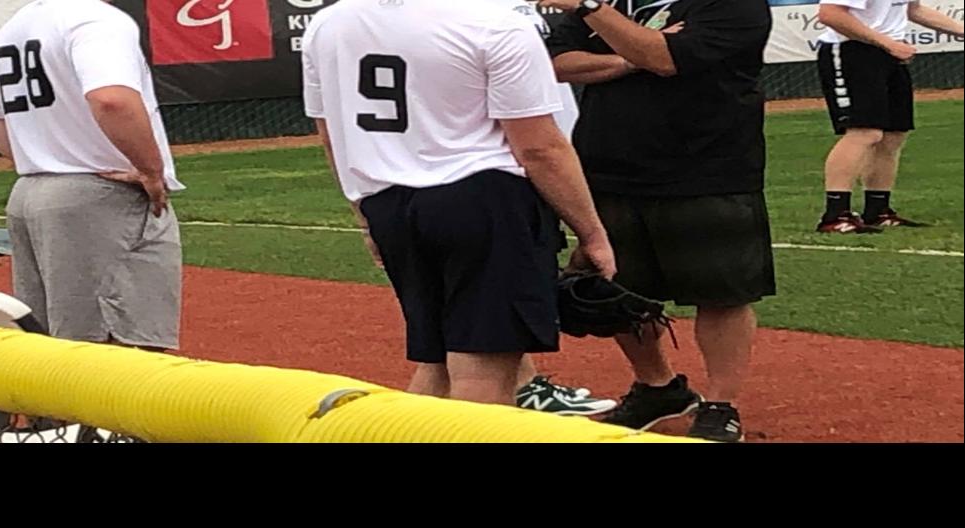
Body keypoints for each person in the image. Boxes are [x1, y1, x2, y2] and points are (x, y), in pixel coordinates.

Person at [302, 0, 615, 406]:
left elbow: (332, 136)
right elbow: (540, 148)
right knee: (484, 368)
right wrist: (592, 233)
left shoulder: (329, 23)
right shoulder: (494, 23)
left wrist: (366, 218)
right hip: (484, 200)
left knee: (437, 364)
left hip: (389, 204)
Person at [544, 0, 774, 442]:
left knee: (722, 292)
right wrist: (631, 56)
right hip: (611, 166)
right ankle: (658, 387)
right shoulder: (615, 4)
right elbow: (559, 64)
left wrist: (594, 13)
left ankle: (721, 405)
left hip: (708, 167)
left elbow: (665, 59)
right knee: (618, 291)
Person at [0, 0, 182, 351]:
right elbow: (111, 99)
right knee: (113, 346)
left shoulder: (21, 22)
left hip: (32, 193)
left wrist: (40, 154)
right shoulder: (95, 18)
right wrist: (150, 171)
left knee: (50, 342)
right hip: (100, 195)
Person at [504, 1, 617, 418]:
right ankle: (521, 387)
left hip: (535, 147)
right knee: (504, 283)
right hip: (515, 158)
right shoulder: (482, 15)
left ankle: (522, 383)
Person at [815, 0, 963, 233]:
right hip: (851, 50)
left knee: (894, 134)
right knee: (864, 132)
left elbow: (914, 9)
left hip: (888, 53)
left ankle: (877, 210)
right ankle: (835, 215)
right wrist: (887, 42)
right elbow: (830, 14)